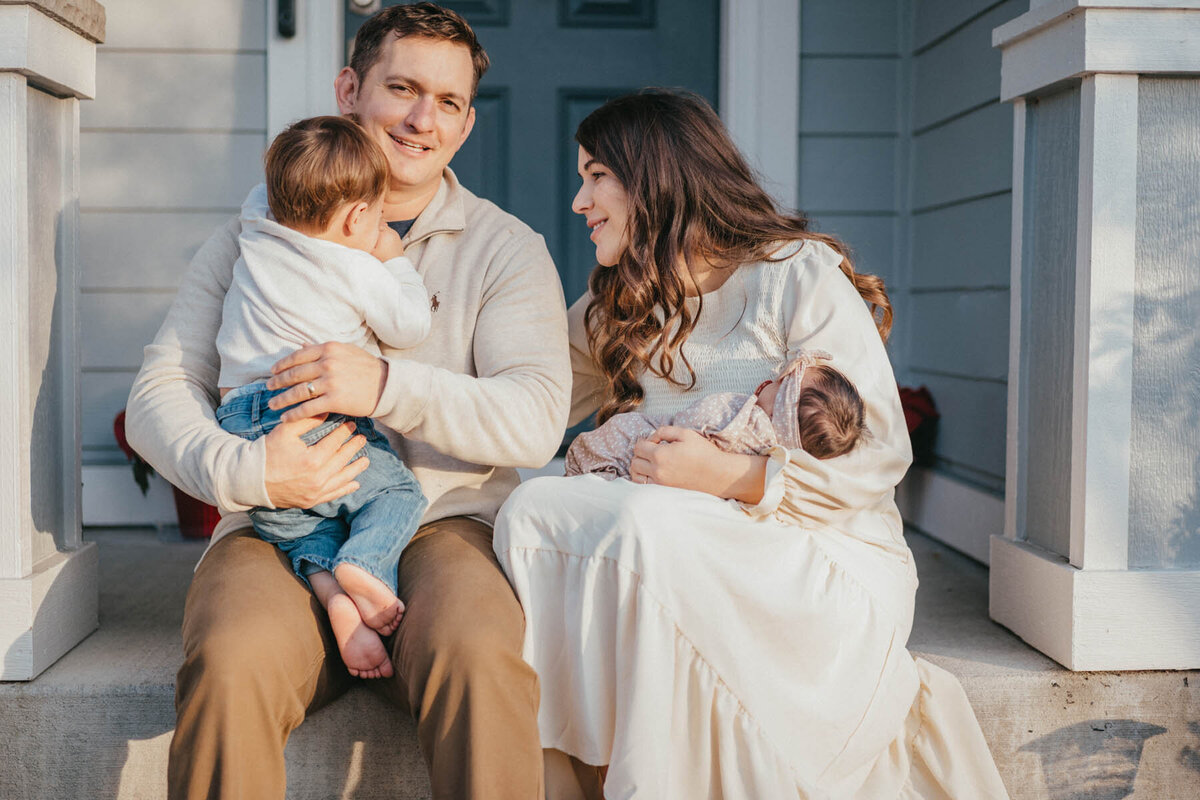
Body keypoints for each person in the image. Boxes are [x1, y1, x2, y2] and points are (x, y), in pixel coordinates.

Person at [493, 89, 1010, 799]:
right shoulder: (624, 298)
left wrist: (734, 475)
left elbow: (881, 451)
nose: (579, 202)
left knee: (646, 520)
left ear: (653, 179)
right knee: (534, 511)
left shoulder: (793, 273)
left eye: (595, 176)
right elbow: (526, 394)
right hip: (680, 544)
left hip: (816, 553)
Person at [126, 4, 570, 799]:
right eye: (401, 88)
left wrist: (387, 389)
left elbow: (535, 416)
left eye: (449, 102)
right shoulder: (256, 233)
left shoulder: (506, 249)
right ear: (348, 89)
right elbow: (161, 389)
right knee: (233, 658)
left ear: (467, 125)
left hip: (443, 524)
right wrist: (249, 471)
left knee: (478, 656)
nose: (421, 119)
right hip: (278, 525)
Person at [215, 115, 431, 680]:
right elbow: (409, 325)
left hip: (241, 423)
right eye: (376, 215)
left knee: (306, 527)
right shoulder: (354, 265)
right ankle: (365, 566)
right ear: (359, 218)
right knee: (399, 494)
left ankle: (336, 598)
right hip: (312, 411)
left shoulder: (257, 234)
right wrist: (393, 258)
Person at [565, 350, 865, 481]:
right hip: (652, 470)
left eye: (783, 382)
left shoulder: (739, 416)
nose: (774, 377)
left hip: (638, 445)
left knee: (601, 448)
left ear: (778, 411)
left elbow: (687, 425)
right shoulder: (766, 457)